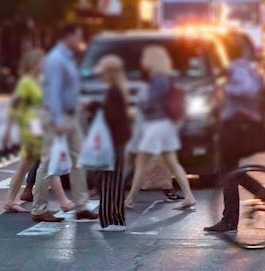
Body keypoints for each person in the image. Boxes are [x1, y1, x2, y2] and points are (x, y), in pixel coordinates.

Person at [205, 40, 265, 233]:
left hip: (235, 128)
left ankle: (230, 220)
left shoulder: (236, 69)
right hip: (239, 126)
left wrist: (225, 89)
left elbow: (248, 90)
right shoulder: (247, 68)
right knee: (231, 171)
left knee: (228, 172)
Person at [31, 23, 98, 223]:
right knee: (48, 161)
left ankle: (81, 205)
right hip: (56, 116)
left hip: (71, 114)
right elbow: (53, 92)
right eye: (78, 36)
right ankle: (39, 209)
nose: (80, 41)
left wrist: (78, 105)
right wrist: (58, 118)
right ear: (68, 37)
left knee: (79, 159)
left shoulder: (69, 59)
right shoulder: (55, 59)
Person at [1, 48, 72, 213]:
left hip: (39, 125)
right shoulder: (26, 83)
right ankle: (63, 201)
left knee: (25, 165)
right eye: (42, 62)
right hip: (31, 127)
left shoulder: (39, 81)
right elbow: (15, 105)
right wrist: (7, 130)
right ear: (34, 63)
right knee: (47, 161)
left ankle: (10, 200)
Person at [125, 45, 195, 210]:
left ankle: (131, 199)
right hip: (167, 126)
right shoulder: (168, 78)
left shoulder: (158, 80)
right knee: (172, 163)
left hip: (156, 127)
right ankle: (189, 197)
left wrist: (138, 105)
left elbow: (150, 104)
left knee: (141, 163)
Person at [92, 55, 131, 232]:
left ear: (110, 73)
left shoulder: (113, 91)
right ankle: (116, 219)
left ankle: (110, 220)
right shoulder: (118, 89)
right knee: (113, 180)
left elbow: (112, 117)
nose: (101, 76)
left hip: (113, 142)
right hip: (118, 141)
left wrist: (95, 108)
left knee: (109, 181)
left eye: (104, 72)